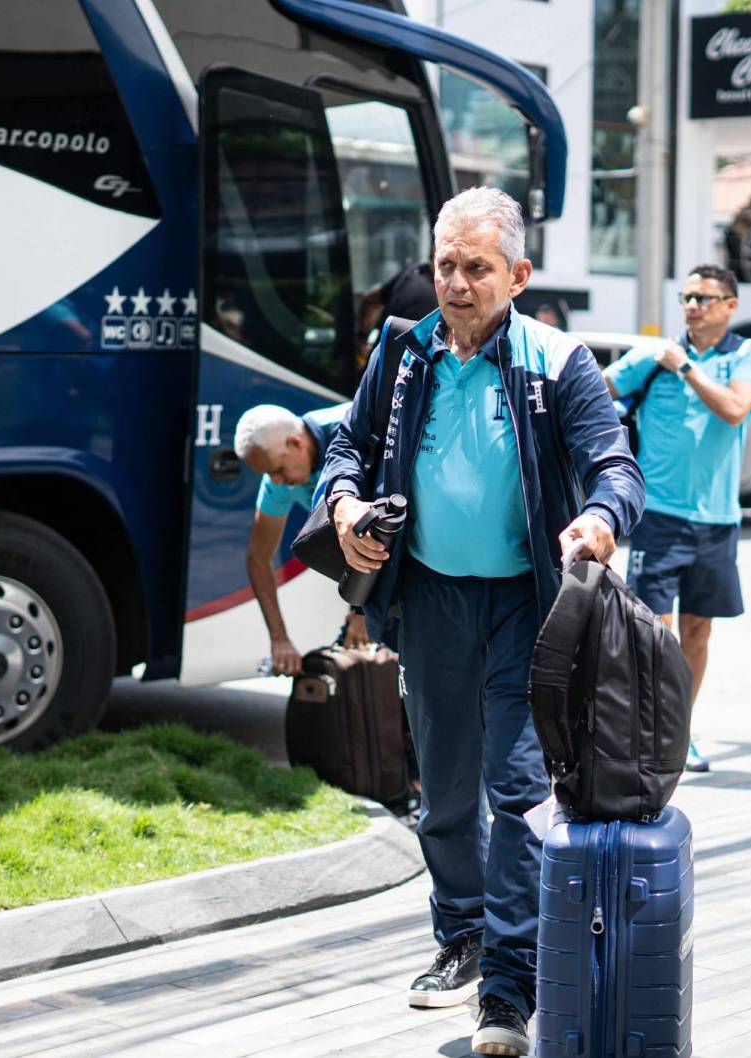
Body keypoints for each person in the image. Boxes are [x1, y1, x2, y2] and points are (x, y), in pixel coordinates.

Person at [319, 187, 643, 1056]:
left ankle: (508, 987)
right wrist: (345, 505)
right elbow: (346, 447)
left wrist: (602, 519)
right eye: (444, 266)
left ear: (519, 274)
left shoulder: (556, 361)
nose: (456, 285)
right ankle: (459, 933)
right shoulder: (403, 351)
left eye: (476, 268)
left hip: (525, 607)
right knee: (443, 796)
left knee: (516, 790)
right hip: (430, 599)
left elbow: (614, 462)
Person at [603, 264, 751, 773]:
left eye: (704, 297)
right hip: (659, 515)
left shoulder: (746, 355)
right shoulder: (653, 357)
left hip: (718, 520)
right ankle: (656, 732)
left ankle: (681, 733)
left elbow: (736, 409)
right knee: (654, 633)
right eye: (687, 296)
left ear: (730, 306)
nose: (693, 306)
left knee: (697, 631)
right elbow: (596, 388)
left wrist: (687, 369)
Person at [233, 403, 367, 677]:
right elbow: (259, 558)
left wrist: (365, 609)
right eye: (268, 474)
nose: (277, 482)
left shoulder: (355, 426)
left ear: (296, 443)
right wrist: (279, 638)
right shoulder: (278, 478)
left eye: (277, 470)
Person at [355, 259, 439, 362]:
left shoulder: (410, 273)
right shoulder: (438, 297)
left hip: (377, 367)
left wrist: (362, 339)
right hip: (399, 372)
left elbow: (371, 300)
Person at [725, 195, 751, 281]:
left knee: (736, 257)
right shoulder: (746, 211)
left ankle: (736, 275)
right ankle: (736, 276)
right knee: (735, 258)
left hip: (735, 235)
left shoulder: (745, 210)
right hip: (734, 235)